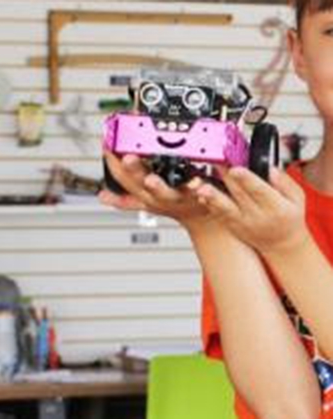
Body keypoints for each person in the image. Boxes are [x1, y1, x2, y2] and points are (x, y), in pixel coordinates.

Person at [100, 1, 333, 417]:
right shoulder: (255, 208)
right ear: (298, 51)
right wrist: (208, 223)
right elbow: (288, 411)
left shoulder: (271, 224)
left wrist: (287, 246)